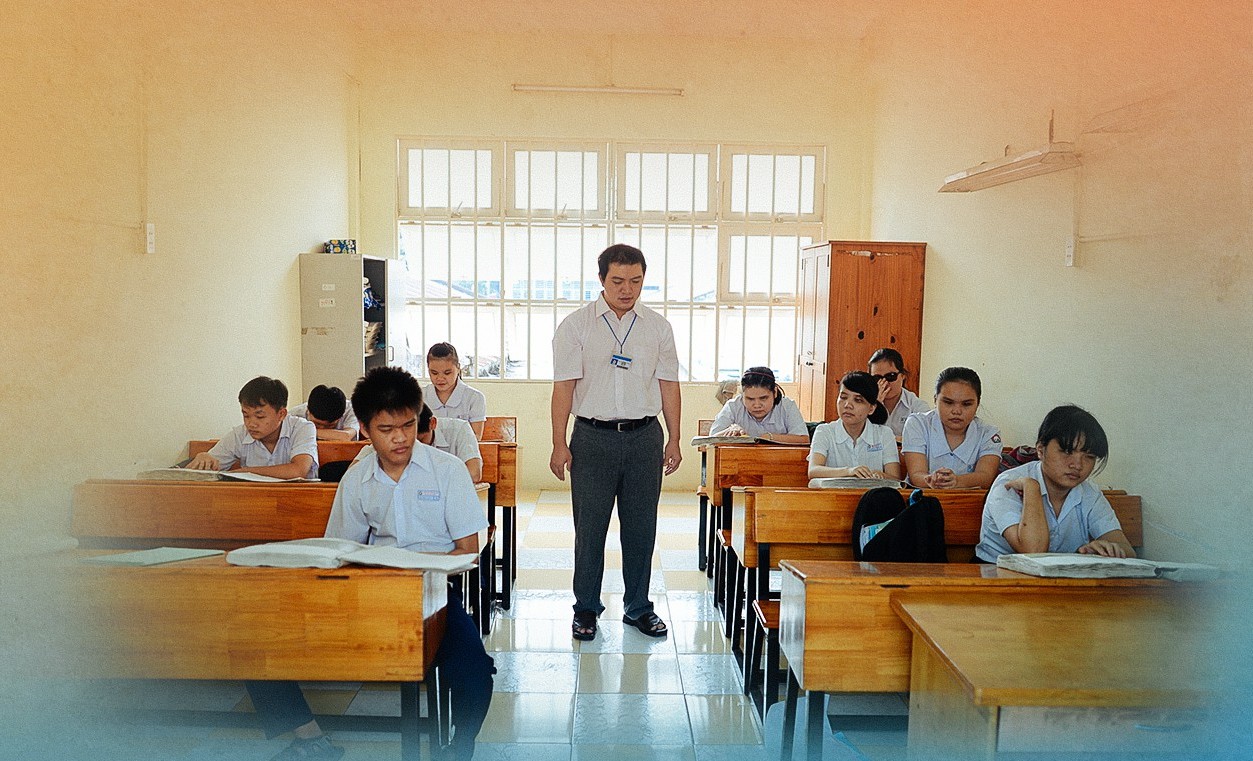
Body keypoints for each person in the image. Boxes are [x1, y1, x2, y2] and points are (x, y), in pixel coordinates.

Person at [249, 366, 493, 761]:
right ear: (363, 428)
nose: (400, 438)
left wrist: (415, 562)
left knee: (475, 672)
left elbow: (467, 551)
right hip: (368, 591)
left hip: (432, 593)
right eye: (386, 429)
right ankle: (310, 738)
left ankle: (458, 746)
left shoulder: (447, 472)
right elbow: (340, 549)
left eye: (408, 425)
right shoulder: (358, 478)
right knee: (257, 641)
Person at [550, 243, 682, 642]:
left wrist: (674, 437)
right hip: (592, 437)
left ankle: (638, 607)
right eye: (618, 281)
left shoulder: (658, 327)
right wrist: (559, 442)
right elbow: (563, 388)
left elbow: (669, 384)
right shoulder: (576, 326)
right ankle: (586, 608)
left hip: (644, 438)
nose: (628, 289)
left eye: (636, 281)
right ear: (602, 280)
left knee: (641, 529)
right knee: (589, 529)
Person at [974, 404, 1134, 562]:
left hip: (1059, 580)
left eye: (1089, 456)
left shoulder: (1089, 492)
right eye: (1067, 452)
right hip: (995, 576)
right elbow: (1033, 550)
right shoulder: (1008, 484)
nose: (1077, 465)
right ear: (1040, 450)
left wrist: (1106, 550)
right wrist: (1032, 488)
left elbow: (1127, 551)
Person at [186, 376, 318, 479]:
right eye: (246, 415)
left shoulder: (302, 428)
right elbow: (207, 470)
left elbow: (298, 471)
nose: (251, 424)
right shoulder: (239, 434)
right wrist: (204, 459)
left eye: (259, 416)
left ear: (281, 414)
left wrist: (244, 472)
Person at [900, 367, 1002, 489]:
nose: (957, 411)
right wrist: (933, 481)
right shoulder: (917, 424)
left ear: (977, 404)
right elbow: (916, 475)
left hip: (971, 504)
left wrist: (957, 481)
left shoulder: (988, 433)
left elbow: (986, 477)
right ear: (935, 400)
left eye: (966, 404)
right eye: (948, 402)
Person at [351, 403, 483, 482]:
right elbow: (352, 474)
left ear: (433, 423)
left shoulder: (459, 429)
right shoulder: (395, 437)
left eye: (420, 440)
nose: (414, 448)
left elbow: (474, 473)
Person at [807, 371, 902, 481]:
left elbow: (895, 478)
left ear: (871, 408)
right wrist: (849, 471)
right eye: (843, 397)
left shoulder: (884, 434)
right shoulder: (824, 431)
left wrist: (880, 476)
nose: (847, 405)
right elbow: (813, 471)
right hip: (833, 497)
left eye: (858, 400)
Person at [709, 366, 809, 444]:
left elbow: (803, 439)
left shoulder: (787, 406)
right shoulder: (733, 406)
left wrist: (768, 437)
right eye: (750, 399)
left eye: (763, 398)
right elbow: (709, 440)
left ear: (774, 392)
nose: (757, 405)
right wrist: (731, 431)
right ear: (742, 395)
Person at [424, 342, 488, 439]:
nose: (440, 378)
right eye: (434, 373)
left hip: (463, 453)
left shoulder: (474, 398)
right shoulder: (420, 396)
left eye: (447, 373)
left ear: (458, 368)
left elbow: (476, 438)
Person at [868, 348, 929, 437]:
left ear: (902, 376)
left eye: (891, 376)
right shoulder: (863, 404)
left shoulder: (917, 407)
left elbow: (925, 439)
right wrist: (876, 406)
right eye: (877, 378)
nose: (885, 383)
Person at [290, 384, 359, 441]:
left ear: (341, 416)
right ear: (308, 410)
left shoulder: (351, 410)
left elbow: (346, 436)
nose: (322, 428)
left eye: (330, 426)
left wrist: (303, 431)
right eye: (317, 424)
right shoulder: (294, 415)